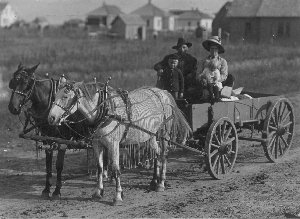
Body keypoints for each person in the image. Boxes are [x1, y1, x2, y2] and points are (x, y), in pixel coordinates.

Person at [198, 36, 235, 101]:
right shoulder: (203, 61)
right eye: (212, 48)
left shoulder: (223, 61)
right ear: (209, 49)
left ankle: (223, 94)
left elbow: (224, 75)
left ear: (218, 50)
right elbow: (199, 73)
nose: (213, 51)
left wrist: (215, 79)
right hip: (206, 82)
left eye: (215, 49)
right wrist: (203, 79)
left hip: (218, 82)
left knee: (230, 77)